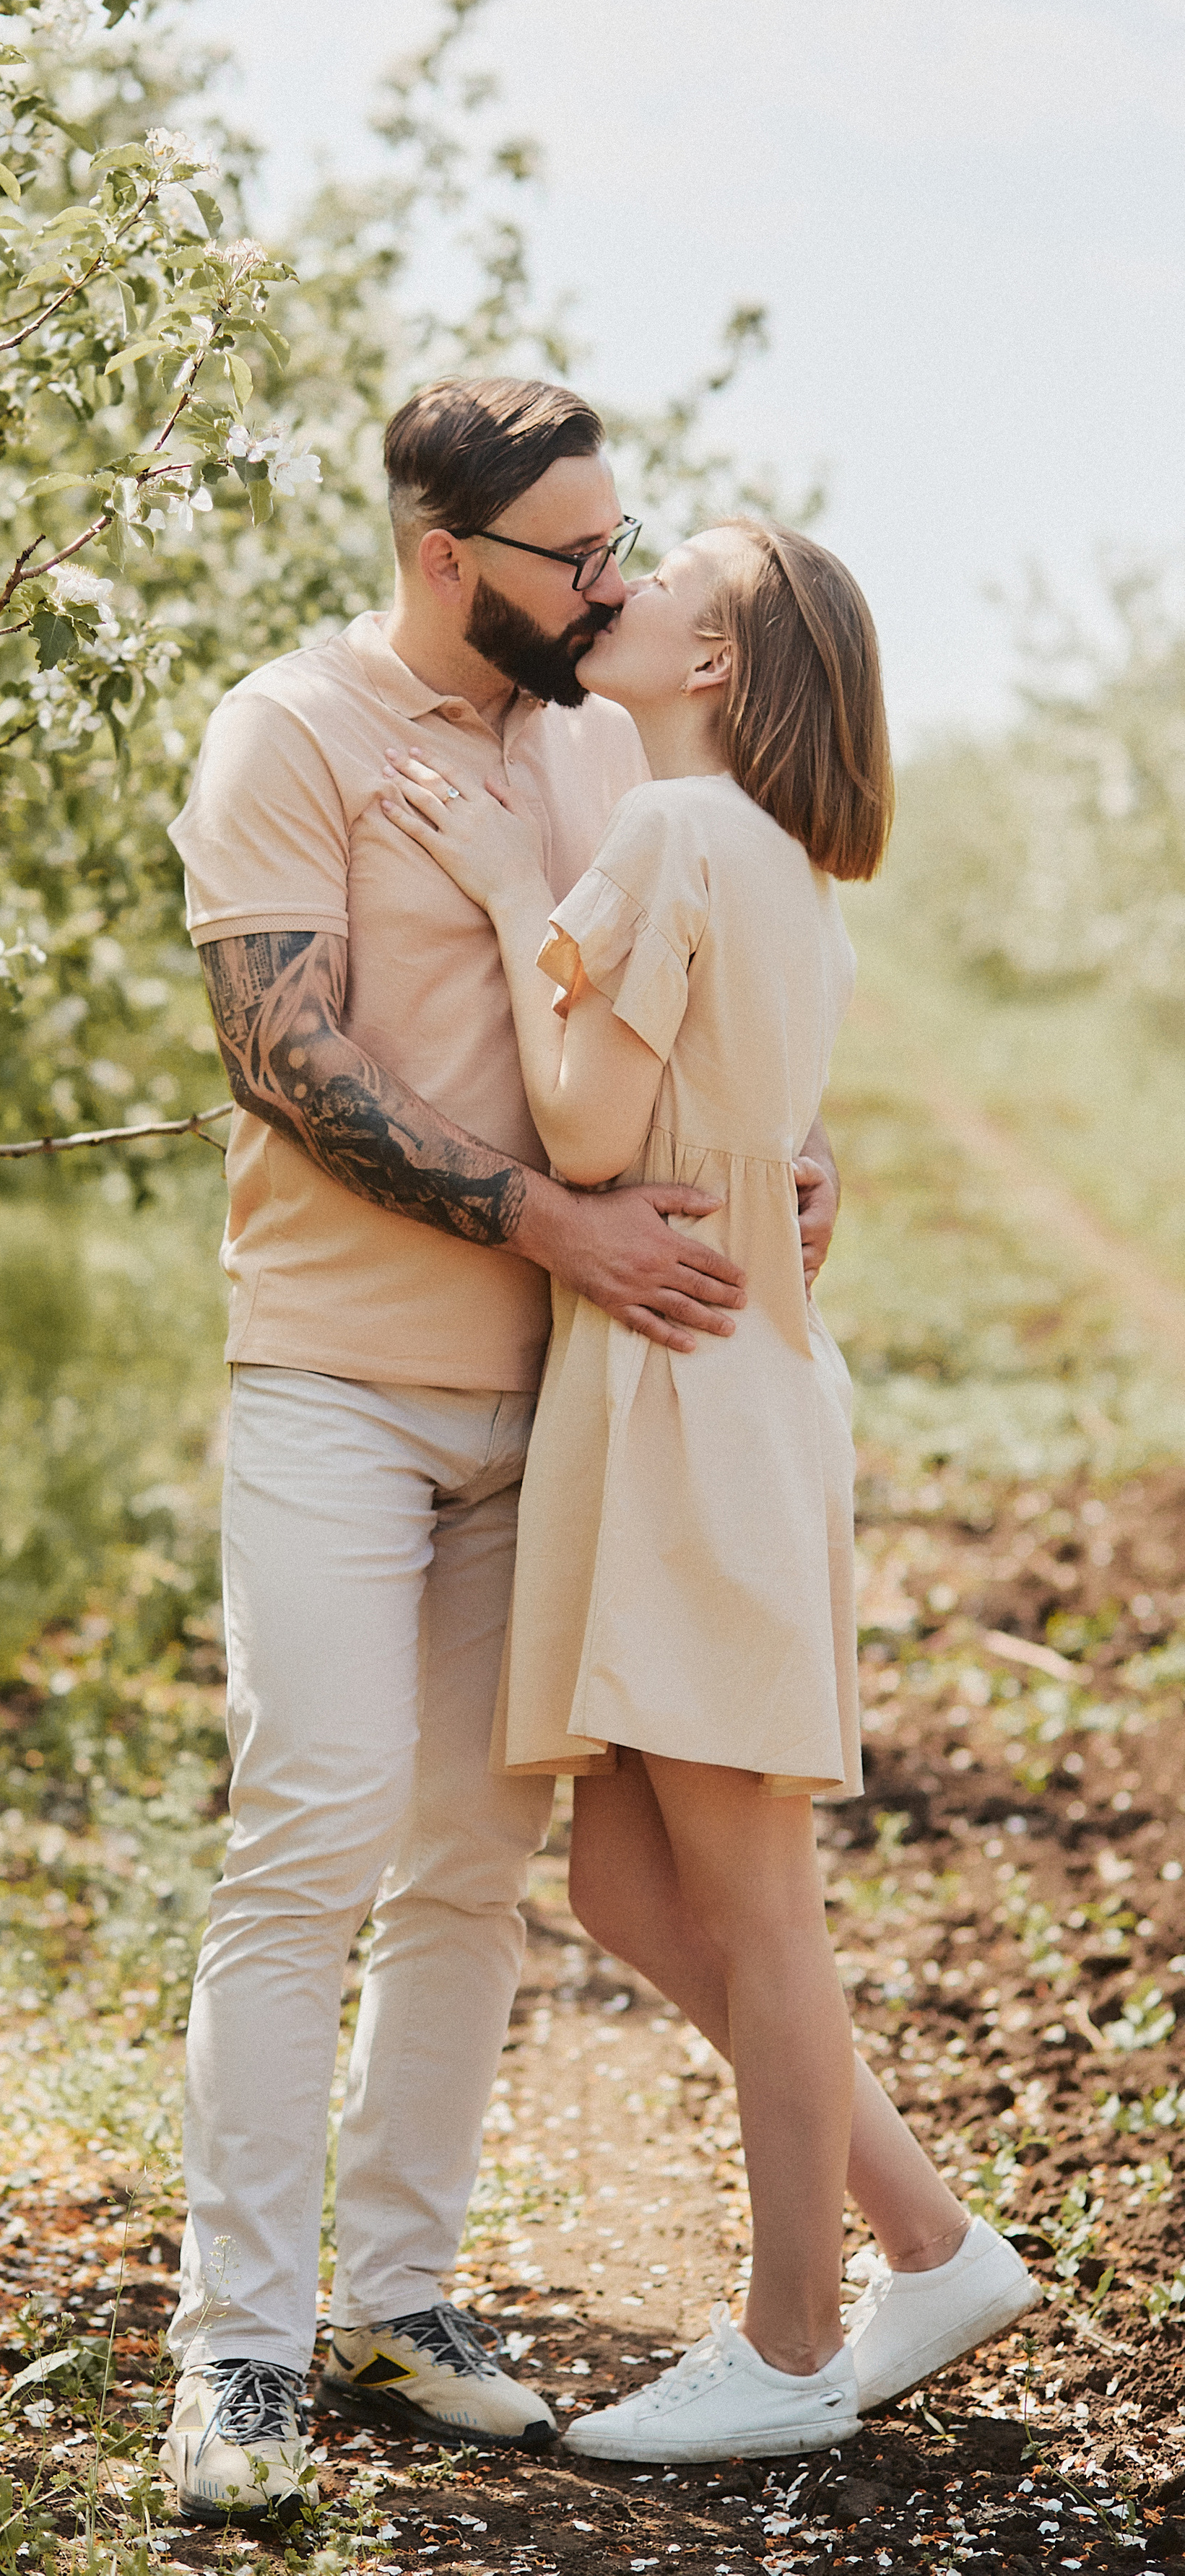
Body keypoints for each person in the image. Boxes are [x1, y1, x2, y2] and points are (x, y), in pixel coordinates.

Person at [157, 378, 841, 2523]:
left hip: (562, 1407)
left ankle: (398, 2294)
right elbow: (286, 1057)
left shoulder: (600, 742)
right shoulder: (292, 733)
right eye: (574, 553)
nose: (613, 583)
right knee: (317, 1824)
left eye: (623, 545)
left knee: (473, 1864)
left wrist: (787, 1150)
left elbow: (678, 996)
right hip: (340, 1381)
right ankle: (242, 2351)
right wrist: (549, 1214)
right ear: (446, 553)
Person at [379, 517, 1041, 2466]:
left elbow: (586, 1123)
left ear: (721, 663)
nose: (627, 590)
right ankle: (927, 2244)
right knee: (625, 1876)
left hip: (686, 1384)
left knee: (752, 1900)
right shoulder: (782, 865)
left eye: (668, 581)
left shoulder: (670, 836)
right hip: (713, 1378)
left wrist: (516, 892)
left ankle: (790, 2339)